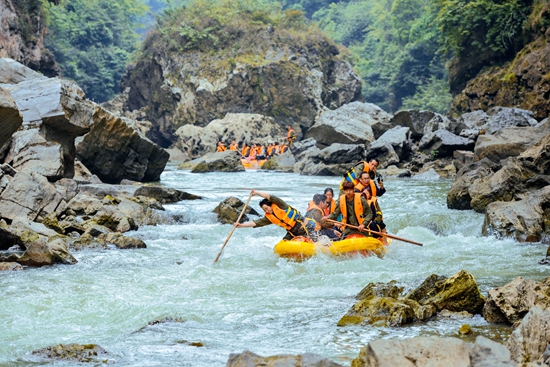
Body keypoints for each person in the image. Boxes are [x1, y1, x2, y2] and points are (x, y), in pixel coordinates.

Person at [236, 190, 316, 240]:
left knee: (314, 238)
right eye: (264, 210)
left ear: (270, 205)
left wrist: (256, 193)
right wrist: (241, 225)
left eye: (267, 208)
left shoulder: (280, 205)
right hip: (293, 232)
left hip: (304, 225)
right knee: (283, 244)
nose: (266, 211)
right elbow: (256, 223)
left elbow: (269, 196)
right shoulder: (269, 218)